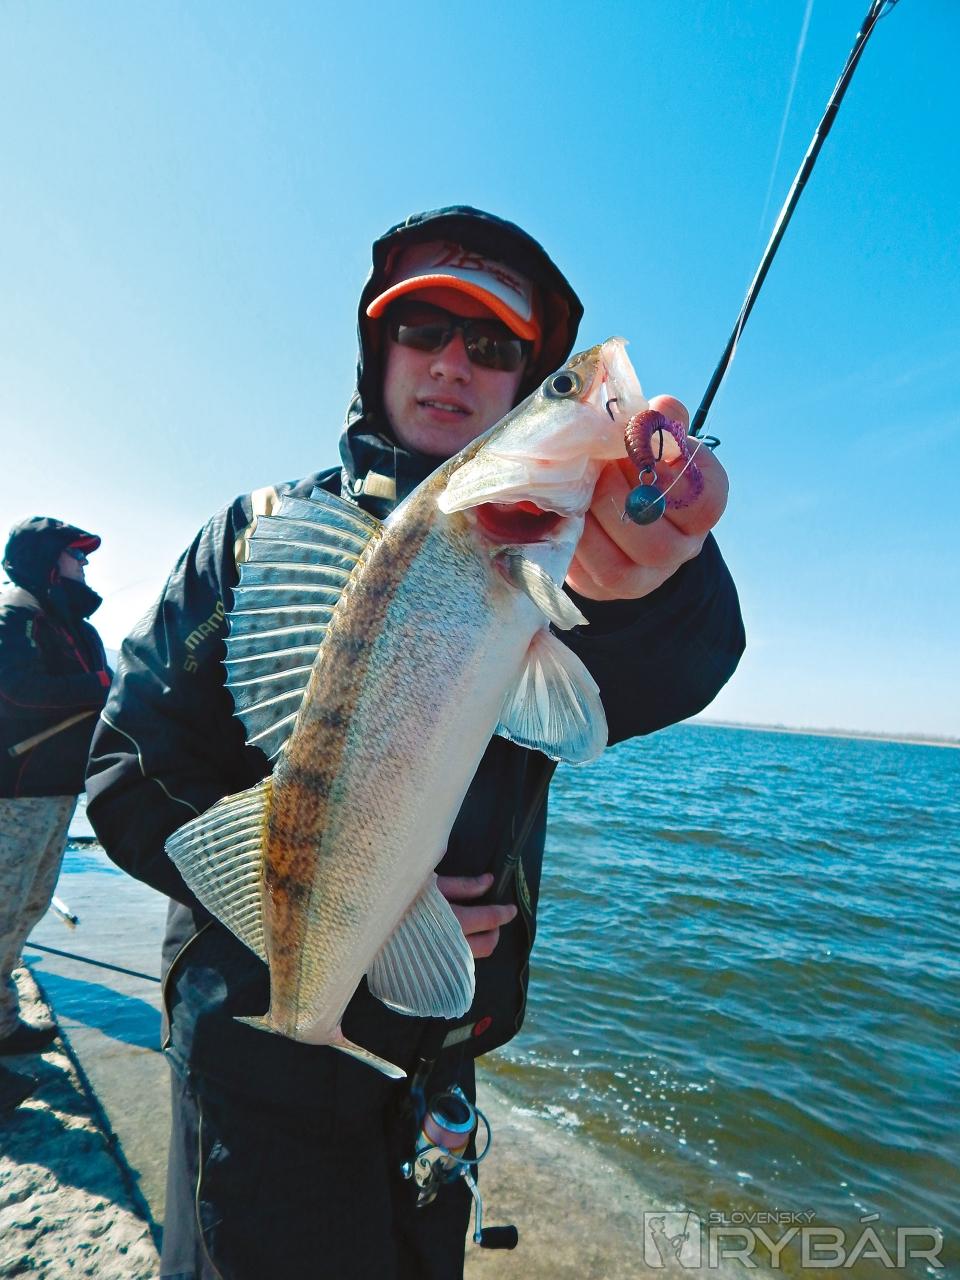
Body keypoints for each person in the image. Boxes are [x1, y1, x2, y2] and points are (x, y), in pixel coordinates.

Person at [86, 206, 745, 1280]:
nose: (451, 362)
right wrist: (336, 892)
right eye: (422, 327)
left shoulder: (557, 563)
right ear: (375, 346)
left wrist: (657, 577)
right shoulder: (253, 537)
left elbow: (683, 660)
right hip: (256, 1045)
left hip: (437, 1063)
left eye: (494, 346)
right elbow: (126, 772)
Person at [0, 517, 111, 1056]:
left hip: (56, 793)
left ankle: (2, 1024)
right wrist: (99, 685)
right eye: (75, 554)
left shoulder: (73, 626)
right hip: (15, 796)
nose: (84, 563)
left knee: (27, 909)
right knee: (3, 910)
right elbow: (15, 692)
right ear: (48, 560)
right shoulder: (14, 614)